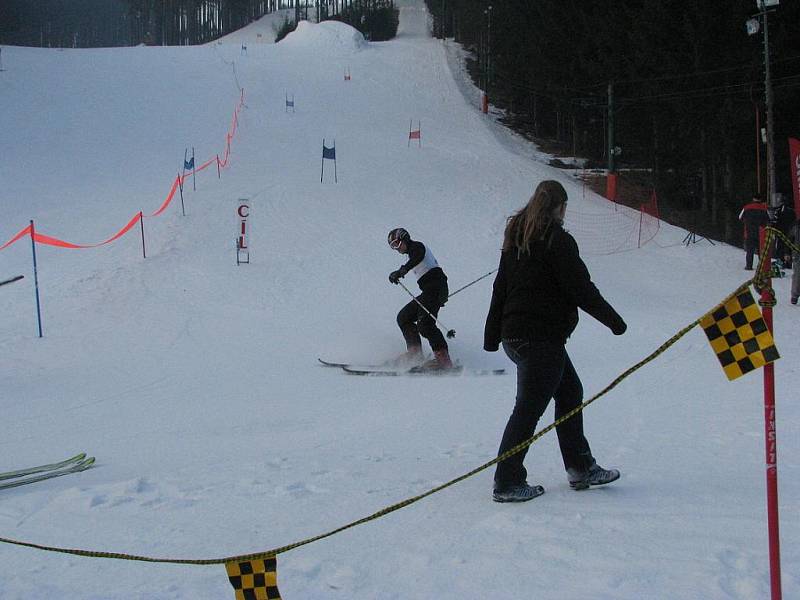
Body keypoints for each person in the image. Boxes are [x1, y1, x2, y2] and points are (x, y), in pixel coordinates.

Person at [484, 180, 627, 503]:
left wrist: (493, 337)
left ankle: (580, 467)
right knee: (528, 409)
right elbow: (581, 288)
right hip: (539, 338)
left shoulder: (518, 239)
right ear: (559, 207)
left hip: (519, 336)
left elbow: (500, 288)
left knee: (569, 392)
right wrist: (614, 322)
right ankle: (506, 481)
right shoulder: (556, 240)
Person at [387, 228, 453, 369]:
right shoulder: (412, 254)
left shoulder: (417, 247)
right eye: (393, 246)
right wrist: (402, 270)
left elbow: (417, 256)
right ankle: (415, 354)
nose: (396, 249)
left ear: (404, 238)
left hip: (436, 289)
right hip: (428, 291)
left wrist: (402, 270)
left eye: (397, 244)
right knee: (404, 318)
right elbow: (414, 259)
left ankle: (443, 360)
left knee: (425, 325)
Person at [739, 195, 769, 270]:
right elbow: (768, 220)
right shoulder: (764, 208)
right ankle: (762, 266)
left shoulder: (746, 207)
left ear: (753, 199)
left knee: (750, 250)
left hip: (749, 232)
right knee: (761, 251)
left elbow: (740, 217)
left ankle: (749, 266)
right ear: (760, 199)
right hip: (761, 232)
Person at [785, 217, 800, 305]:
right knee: (797, 276)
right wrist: (787, 252)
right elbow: (789, 238)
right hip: (798, 254)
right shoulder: (796, 225)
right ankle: (795, 295)